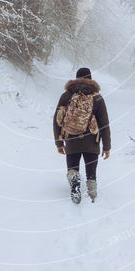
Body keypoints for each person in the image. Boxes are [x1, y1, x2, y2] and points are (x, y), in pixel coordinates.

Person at [53, 67, 111, 203]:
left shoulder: (66, 95)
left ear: (76, 78)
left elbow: (57, 120)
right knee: (91, 171)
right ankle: (92, 191)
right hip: (92, 141)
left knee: (72, 167)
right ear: (90, 78)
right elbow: (104, 124)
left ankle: (74, 182)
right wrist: (107, 146)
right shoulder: (97, 97)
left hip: (71, 140)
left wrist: (59, 143)